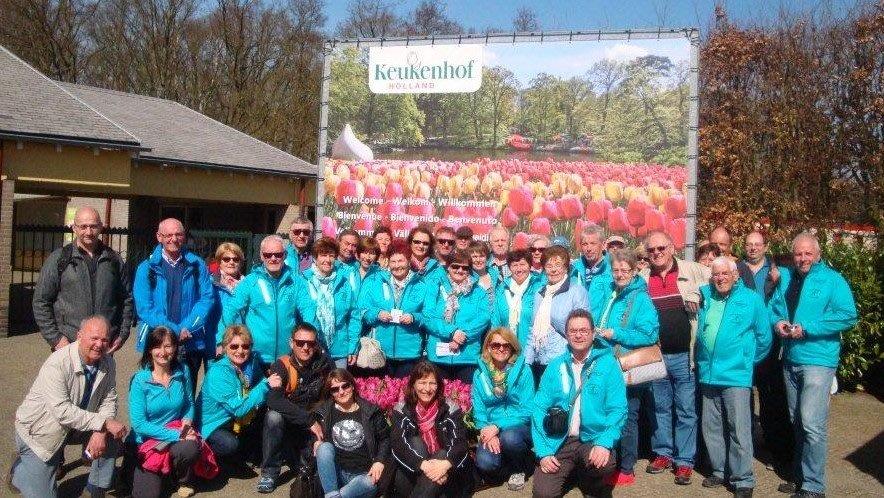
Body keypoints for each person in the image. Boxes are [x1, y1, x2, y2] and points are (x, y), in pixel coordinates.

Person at [770, 232, 857, 498]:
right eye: (798, 253)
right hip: (791, 359)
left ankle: (813, 485)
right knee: (797, 421)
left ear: (817, 254)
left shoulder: (833, 279)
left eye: (808, 253)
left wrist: (808, 329)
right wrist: (779, 322)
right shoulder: (786, 277)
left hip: (818, 360)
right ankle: (800, 476)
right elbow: (775, 307)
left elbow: (847, 315)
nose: (803, 258)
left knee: (811, 423)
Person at [10, 316, 127, 498]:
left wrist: (101, 430)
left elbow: (109, 399)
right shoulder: (57, 363)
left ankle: (96, 489)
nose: (99, 344)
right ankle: (19, 470)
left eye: (104, 339)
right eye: (94, 338)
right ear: (80, 336)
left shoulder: (108, 362)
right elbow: (62, 411)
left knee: (111, 434)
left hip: (74, 427)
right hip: (40, 434)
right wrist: (102, 422)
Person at [696, 257, 772, 498]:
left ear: (736, 275)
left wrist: (746, 360)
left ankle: (743, 479)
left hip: (736, 375)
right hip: (709, 373)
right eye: (716, 274)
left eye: (725, 274)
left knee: (738, 429)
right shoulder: (705, 295)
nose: (720, 278)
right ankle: (719, 470)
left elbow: (764, 337)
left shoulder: (751, 299)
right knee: (711, 427)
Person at [531, 309, 627, 498]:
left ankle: (587, 478)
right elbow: (539, 408)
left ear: (593, 333)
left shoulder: (608, 365)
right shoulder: (555, 366)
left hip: (592, 439)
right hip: (559, 441)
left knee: (604, 465)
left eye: (583, 330)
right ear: (566, 335)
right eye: (573, 331)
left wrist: (604, 442)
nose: (578, 335)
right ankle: (571, 471)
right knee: (543, 494)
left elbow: (618, 409)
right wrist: (543, 452)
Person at [639, 230, 709, 483]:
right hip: (657, 355)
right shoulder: (643, 277)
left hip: (683, 355)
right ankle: (663, 452)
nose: (657, 253)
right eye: (652, 250)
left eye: (661, 248)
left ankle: (685, 460)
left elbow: (723, 281)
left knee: (686, 409)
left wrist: (698, 296)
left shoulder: (693, 270)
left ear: (672, 248)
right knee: (659, 407)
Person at [591, 250, 660, 487]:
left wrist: (616, 333)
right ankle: (609, 460)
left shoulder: (640, 298)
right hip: (605, 363)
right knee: (607, 414)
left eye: (625, 270)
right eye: (616, 270)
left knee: (628, 416)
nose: (619, 274)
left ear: (634, 271)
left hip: (626, 366)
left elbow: (649, 333)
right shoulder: (610, 291)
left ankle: (627, 467)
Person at [33, 207, 133, 354]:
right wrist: (56, 339)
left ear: (101, 227)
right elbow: (41, 301)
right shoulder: (59, 259)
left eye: (93, 226)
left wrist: (121, 335)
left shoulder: (113, 260)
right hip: (68, 345)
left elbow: (127, 299)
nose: (88, 232)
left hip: (103, 348)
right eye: (83, 226)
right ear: (74, 228)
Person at [133, 218, 214, 392]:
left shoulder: (197, 264)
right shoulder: (146, 268)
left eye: (178, 234)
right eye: (168, 235)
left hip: (190, 340)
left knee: (187, 393)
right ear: (159, 237)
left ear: (184, 237)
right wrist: (174, 330)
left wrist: (187, 327)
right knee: (157, 392)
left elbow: (206, 298)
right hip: (157, 341)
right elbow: (144, 308)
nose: (173, 239)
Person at [259, 323, 333, 493]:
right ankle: (269, 472)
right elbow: (273, 400)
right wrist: (308, 420)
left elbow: (333, 396)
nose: (306, 347)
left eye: (311, 343)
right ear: (291, 343)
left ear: (317, 344)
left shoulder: (326, 365)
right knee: (273, 417)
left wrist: (319, 423)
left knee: (309, 469)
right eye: (300, 343)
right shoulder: (282, 365)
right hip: (290, 422)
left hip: (315, 422)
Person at [128, 326, 200, 498]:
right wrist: (177, 435)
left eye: (168, 346)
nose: (163, 352)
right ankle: (148, 472)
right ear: (150, 349)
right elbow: (139, 425)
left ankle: (180, 478)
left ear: (175, 348)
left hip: (175, 433)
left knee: (190, 448)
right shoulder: (140, 380)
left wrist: (187, 420)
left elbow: (189, 403)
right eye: (157, 346)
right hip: (148, 441)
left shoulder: (183, 371)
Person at [742, 231, 792, 475]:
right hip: (743, 343)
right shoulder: (737, 269)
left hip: (770, 343)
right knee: (742, 397)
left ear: (765, 247)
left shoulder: (778, 270)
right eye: (749, 245)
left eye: (757, 245)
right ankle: (745, 446)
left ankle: (775, 449)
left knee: (772, 398)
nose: (753, 249)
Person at [197, 325, 281, 463]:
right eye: (234, 346)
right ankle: (203, 455)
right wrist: (265, 385)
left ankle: (242, 456)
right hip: (212, 424)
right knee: (230, 445)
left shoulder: (249, 365)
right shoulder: (218, 372)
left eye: (245, 346)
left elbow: (259, 385)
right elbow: (238, 409)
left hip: (233, 421)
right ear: (225, 347)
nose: (240, 351)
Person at [390, 361, 473, 497]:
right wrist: (423, 465)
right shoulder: (402, 409)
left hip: (445, 470)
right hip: (412, 470)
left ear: (438, 386)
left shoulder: (450, 408)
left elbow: (460, 442)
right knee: (415, 442)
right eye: (422, 382)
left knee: (441, 454)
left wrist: (445, 464)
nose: (427, 389)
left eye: (432, 383)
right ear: (413, 385)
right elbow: (398, 443)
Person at [222, 235, 304, 366]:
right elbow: (230, 310)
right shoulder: (250, 282)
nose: (273, 258)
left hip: (288, 358)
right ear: (261, 256)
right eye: (268, 255)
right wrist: (227, 341)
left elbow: (308, 311)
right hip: (255, 357)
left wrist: (310, 340)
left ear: (285, 255)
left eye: (278, 254)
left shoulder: (297, 282)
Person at [471, 328, 535, 491]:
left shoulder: (524, 371)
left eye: (506, 345)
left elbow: (528, 410)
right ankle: (511, 461)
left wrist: (497, 426)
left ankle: (520, 467)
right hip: (491, 428)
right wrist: (486, 431)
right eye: (496, 345)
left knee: (510, 439)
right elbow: (479, 409)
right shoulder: (479, 374)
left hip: (518, 426)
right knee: (485, 463)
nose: (501, 349)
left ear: (512, 347)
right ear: (488, 347)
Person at [313, 369, 390, 498]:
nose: (341, 392)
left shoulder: (371, 411)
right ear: (331, 393)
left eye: (345, 386)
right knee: (324, 447)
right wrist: (316, 441)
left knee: (368, 483)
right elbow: (313, 439)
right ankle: (333, 494)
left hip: (363, 475)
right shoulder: (324, 413)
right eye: (335, 389)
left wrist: (379, 461)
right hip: (336, 473)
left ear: (352, 386)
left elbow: (385, 438)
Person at [359, 241, 427, 377]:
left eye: (400, 261)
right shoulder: (375, 281)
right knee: (380, 395)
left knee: (405, 396)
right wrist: (377, 314)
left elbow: (428, 316)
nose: (397, 266)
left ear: (409, 261)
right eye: (393, 261)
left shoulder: (422, 284)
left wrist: (414, 317)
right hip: (379, 352)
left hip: (410, 353)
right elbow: (362, 311)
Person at [422, 250, 492, 383]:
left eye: (465, 268)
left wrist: (461, 336)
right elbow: (428, 316)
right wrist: (452, 332)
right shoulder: (435, 287)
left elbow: (484, 318)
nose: (460, 270)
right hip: (438, 357)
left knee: (464, 400)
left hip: (467, 356)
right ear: (448, 267)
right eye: (455, 266)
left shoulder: (479, 292)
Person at [525, 245, 589, 385]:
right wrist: (526, 363)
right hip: (539, 359)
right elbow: (532, 328)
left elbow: (582, 329)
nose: (553, 269)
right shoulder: (540, 293)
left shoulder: (576, 291)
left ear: (566, 268)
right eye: (549, 265)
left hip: (563, 360)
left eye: (558, 265)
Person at [302, 237, 362, 368]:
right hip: (311, 349)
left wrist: (353, 346)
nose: (328, 260)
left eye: (331, 256)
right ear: (315, 258)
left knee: (338, 386)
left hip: (339, 350)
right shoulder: (303, 281)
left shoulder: (343, 282)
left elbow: (353, 315)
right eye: (323, 255)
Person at [493, 249, 544, 347]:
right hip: (506, 347)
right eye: (515, 265)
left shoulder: (539, 287)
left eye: (522, 264)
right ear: (509, 268)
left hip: (531, 347)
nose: (519, 269)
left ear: (529, 266)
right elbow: (496, 320)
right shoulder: (502, 288)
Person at [210, 242, 245, 355]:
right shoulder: (210, 284)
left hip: (242, 343)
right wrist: (219, 342)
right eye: (226, 259)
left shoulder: (248, 284)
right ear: (219, 261)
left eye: (236, 259)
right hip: (217, 343)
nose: (231, 262)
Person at [570, 224, 612, 294]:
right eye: (585, 244)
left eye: (593, 243)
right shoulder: (574, 270)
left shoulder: (613, 268)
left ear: (603, 245)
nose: (588, 249)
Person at [468, 241, 498, 306]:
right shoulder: (466, 279)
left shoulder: (496, 276)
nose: (478, 260)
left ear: (487, 257)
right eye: (475, 257)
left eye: (481, 256)